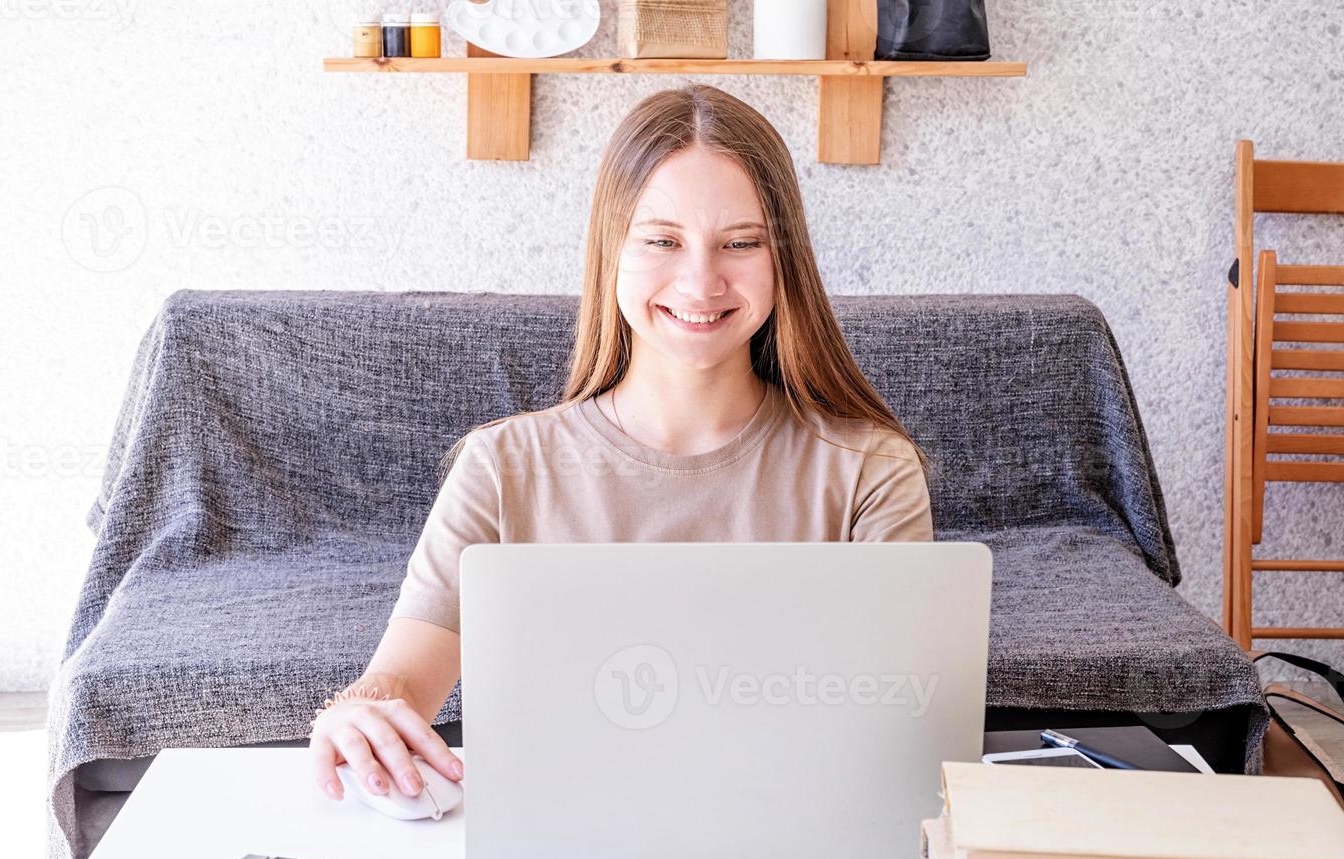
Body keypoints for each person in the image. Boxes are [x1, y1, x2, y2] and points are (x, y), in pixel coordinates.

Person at [308, 83, 934, 803]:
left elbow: (893, 720)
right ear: (612, 251)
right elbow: (400, 679)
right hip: (562, 835)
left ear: (782, 260)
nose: (701, 281)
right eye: (662, 241)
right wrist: (356, 712)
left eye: (740, 243)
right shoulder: (502, 467)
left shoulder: (870, 472)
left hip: (790, 828)